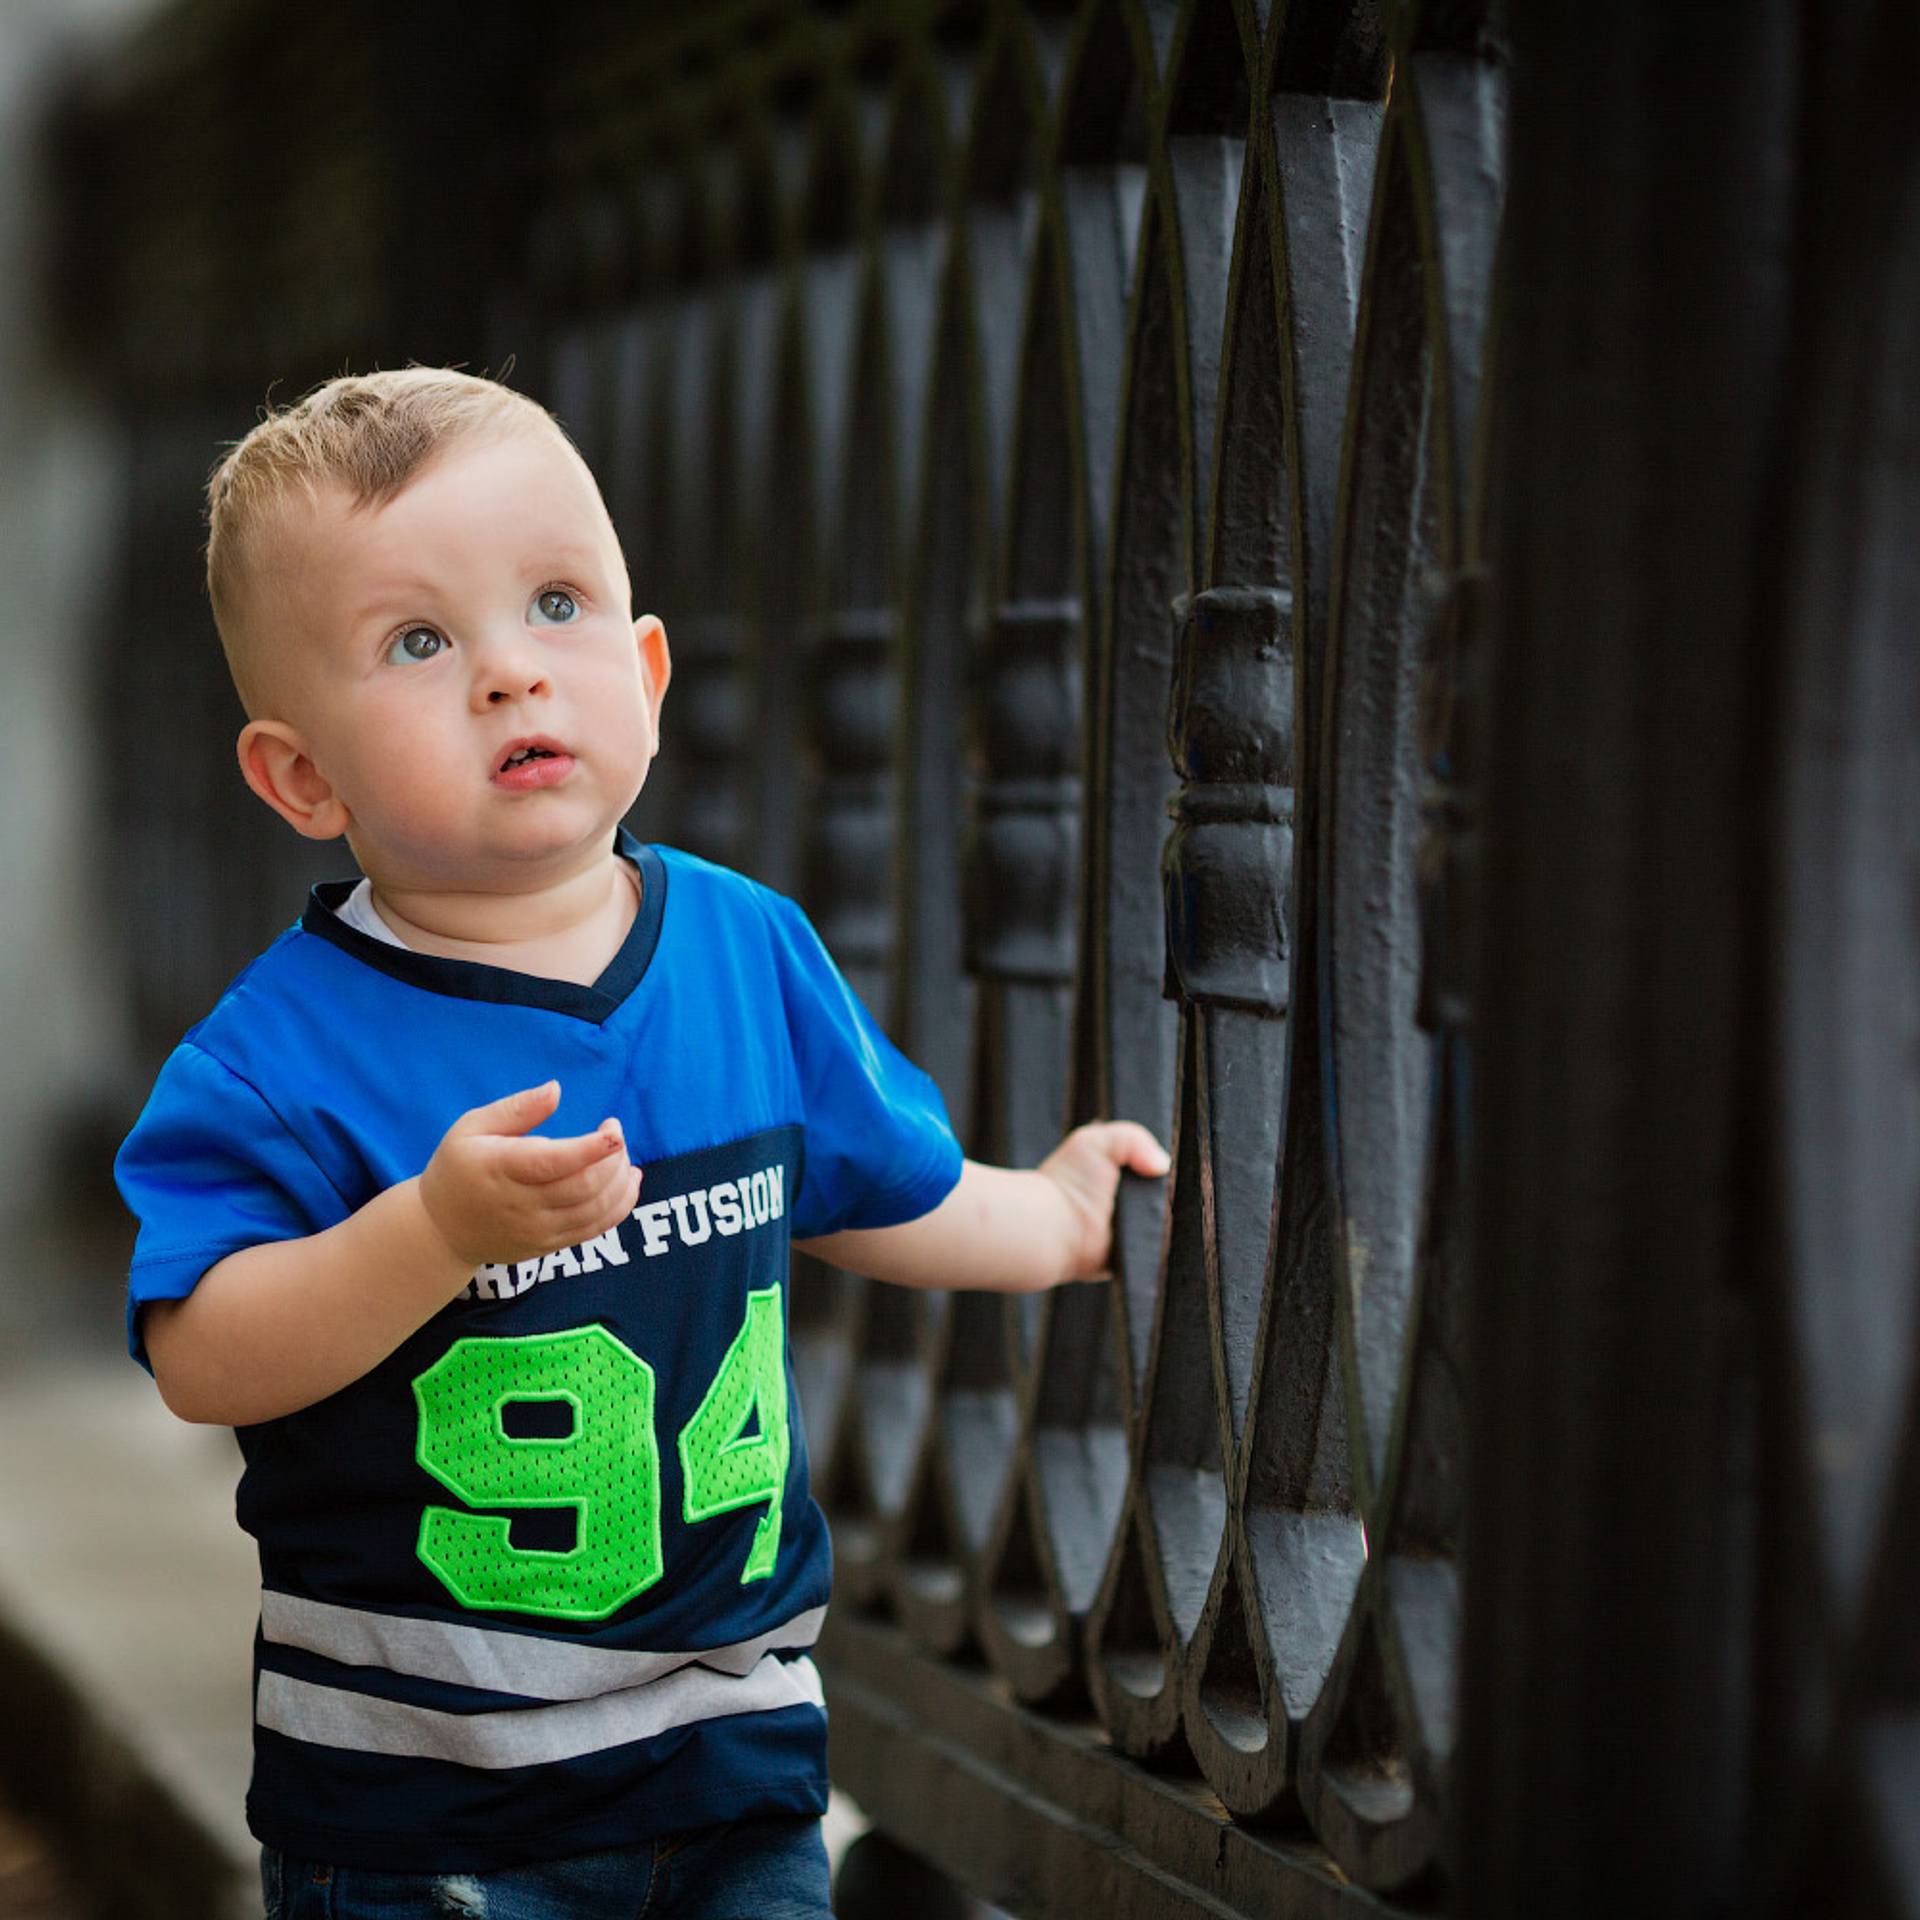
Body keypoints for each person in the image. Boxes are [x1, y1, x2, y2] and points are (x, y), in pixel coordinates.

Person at [114, 367, 1169, 1920]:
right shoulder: (282, 1059)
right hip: (425, 1808)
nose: (509, 677)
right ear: (301, 778)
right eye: (418, 642)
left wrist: (1060, 1221)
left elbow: (884, 1184)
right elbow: (204, 1352)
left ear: (648, 669)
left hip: (729, 1747)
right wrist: (429, 1236)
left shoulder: (745, 953)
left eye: (556, 605)